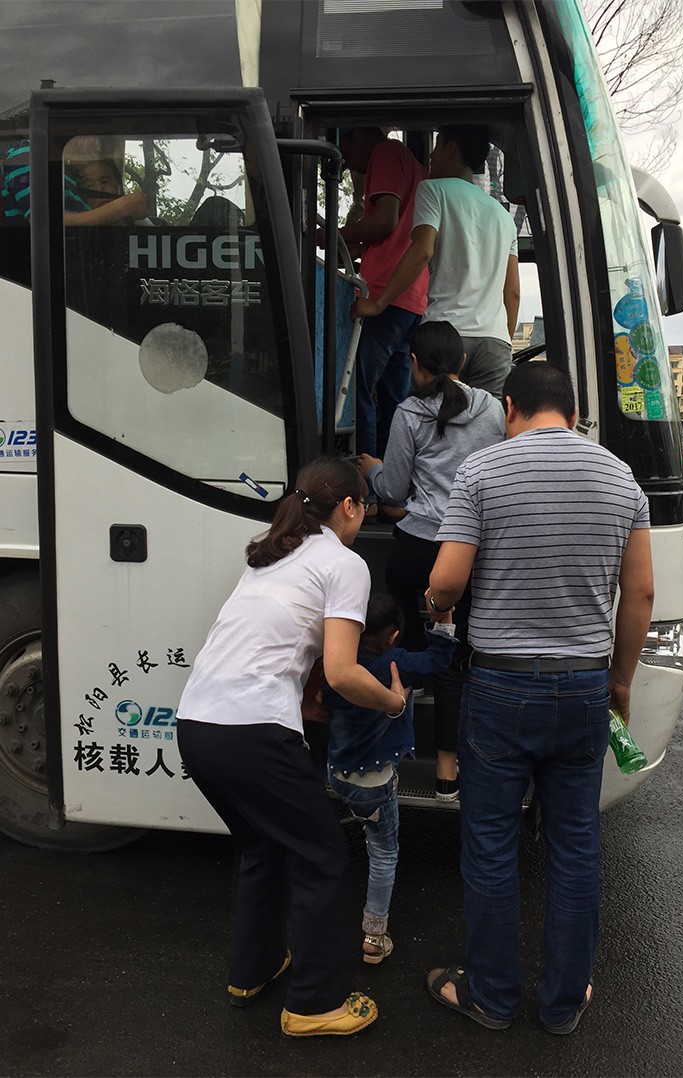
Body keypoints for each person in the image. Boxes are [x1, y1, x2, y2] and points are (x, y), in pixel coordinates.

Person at [422, 363, 654, 1033]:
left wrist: (433, 603)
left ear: (509, 407)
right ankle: (563, 1001)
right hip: (584, 685)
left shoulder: (482, 472)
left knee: (491, 844)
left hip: (500, 685)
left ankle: (492, 996)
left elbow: (448, 582)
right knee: (575, 846)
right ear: (574, 412)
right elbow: (641, 593)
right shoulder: (621, 478)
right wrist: (619, 682)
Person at [176, 456, 411, 1038]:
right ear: (350, 507)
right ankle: (314, 1004)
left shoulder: (272, 556)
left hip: (197, 723)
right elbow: (343, 671)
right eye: (363, 506)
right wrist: (392, 702)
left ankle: (252, 971)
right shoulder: (343, 562)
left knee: (262, 845)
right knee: (321, 854)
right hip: (254, 729)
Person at [357, 320, 505, 798]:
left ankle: (415, 670)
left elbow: (393, 490)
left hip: (420, 547)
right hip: (471, 552)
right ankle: (447, 771)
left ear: (414, 364)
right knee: (455, 656)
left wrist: (372, 471)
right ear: (463, 362)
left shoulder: (409, 412)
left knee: (400, 592)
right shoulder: (492, 409)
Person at [324, 594, 457, 964]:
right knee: (383, 854)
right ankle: (373, 936)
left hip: (338, 772)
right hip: (374, 782)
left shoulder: (337, 664)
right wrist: (444, 616)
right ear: (393, 637)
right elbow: (439, 658)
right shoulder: (395, 662)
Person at [352, 125, 520, 398]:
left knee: (433, 418)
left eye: (437, 144)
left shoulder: (433, 190)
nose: (430, 155)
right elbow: (512, 292)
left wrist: (378, 303)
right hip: (495, 342)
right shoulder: (503, 217)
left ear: (451, 148)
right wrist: (504, 341)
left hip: (445, 337)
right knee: (487, 421)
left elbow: (422, 251)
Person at [318, 128, 429, 457]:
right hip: (410, 298)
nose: (349, 164)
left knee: (358, 393)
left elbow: (384, 221)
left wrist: (333, 234)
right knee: (396, 400)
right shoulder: (415, 167)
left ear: (357, 135)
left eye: (345, 152)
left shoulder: (385, 152)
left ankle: (366, 479)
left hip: (382, 294)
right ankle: (395, 477)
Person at [2, 138, 148, 225]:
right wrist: (124, 207)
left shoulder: (66, 174)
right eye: (95, 138)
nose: (97, 146)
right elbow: (42, 221)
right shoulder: (30, 154)